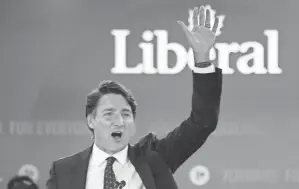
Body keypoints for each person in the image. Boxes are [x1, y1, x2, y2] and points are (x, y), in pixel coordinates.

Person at [46, 5, 223, 189]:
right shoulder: (64, 171)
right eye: (109, 114)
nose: (119, 121)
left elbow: (203, 122)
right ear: (91, 120)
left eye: (126, 114)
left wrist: (202, 58)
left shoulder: (155, 159)